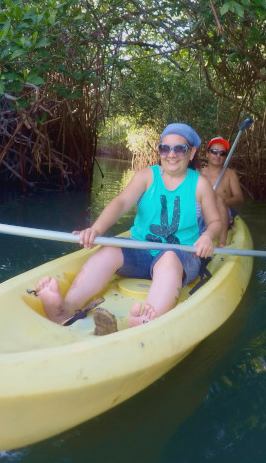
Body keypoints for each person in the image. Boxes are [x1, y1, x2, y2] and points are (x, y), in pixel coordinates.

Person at [35, 123, 222, 329]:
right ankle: (65, 309)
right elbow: (121, 203)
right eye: (164, 148)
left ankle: (147, 320)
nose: (171, 154)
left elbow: (215, 222)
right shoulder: (146, 176)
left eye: (179, 148)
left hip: (181, 256)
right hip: (140, 250)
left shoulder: (200, 184)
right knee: (110, 247)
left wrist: (207, 236)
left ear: (191, 152)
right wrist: (95, 230)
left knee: (168, 257)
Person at [199, 136, 243, 247]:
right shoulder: (199, 173)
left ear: (225, 157)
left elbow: (239, 197)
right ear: (207, 154)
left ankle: (222, 242)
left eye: (222, 153)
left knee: (218, 199)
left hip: (222, 212)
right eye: (214, 152)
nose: (218, 155)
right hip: (202, 212)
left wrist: (224, 202)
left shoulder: (230, 174)